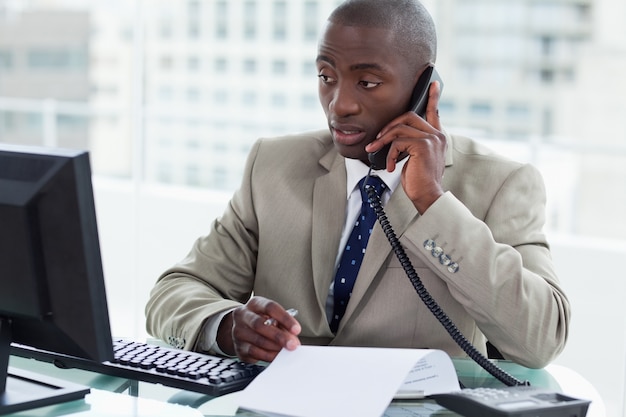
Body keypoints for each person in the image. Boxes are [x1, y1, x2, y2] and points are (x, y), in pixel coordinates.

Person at [145, 0, 570, 369]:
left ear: (425, 89)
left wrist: (432, 203)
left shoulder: (500, 184)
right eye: (326, 77)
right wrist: (225, 326)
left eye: (367, 82)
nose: (339, 104)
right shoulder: (272, 165)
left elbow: (542, 340)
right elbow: (173, 292)